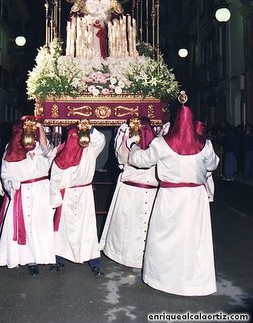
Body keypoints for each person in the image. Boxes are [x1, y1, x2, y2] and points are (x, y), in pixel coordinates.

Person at [127, 96, 219, 296]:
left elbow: (141, 160)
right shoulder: (205, 144)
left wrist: (133, 145)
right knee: (193, 238)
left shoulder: (162, 143)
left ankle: (163, 279)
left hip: (170, 197)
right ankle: (194, 280)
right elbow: (212, 165)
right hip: (195, 198)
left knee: (165, 237)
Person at [0, 119, 55, 276]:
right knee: (25, 227)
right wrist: (12, 185)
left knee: (40, 226)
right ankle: (30, 260)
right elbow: (5, 174)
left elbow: (51, 154)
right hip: (21, 192)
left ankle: (42, 256)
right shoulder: (10, 150)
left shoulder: (42, 147)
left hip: (41, 192)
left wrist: (41, 128)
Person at [100, 118, 158, 268]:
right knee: (128, 226)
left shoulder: (151, 144)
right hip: (136, 191)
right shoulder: (158, 144)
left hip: (134, 192)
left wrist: (127, 139)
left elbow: (121, 158)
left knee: (130, 226)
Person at [49, 121, 106, 276]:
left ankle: (95, 262)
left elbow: (100, 140)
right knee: (62, 229)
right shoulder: (61, 156)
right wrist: (55, 200)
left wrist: (89, 128)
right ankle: (59, 260)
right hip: (66, 196)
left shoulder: (90, 151)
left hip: (84, 195)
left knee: (87, 229)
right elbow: (54, 179)